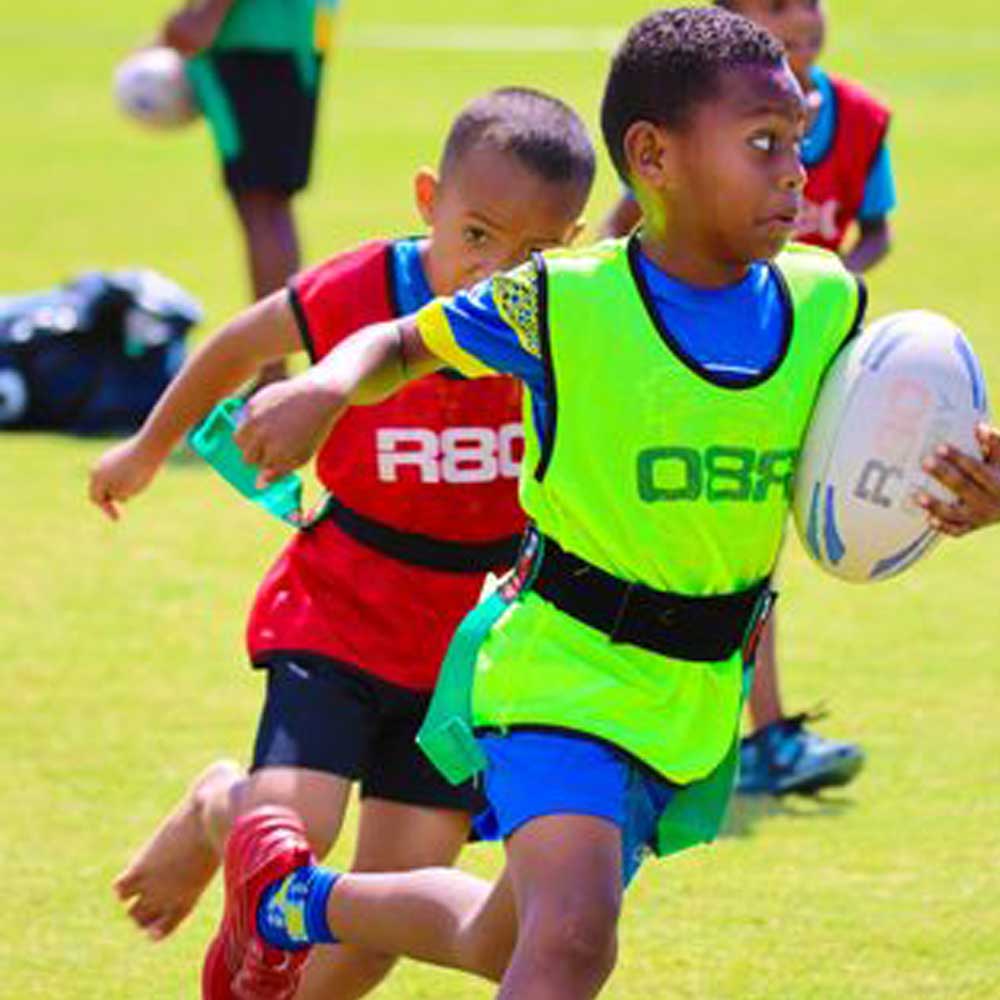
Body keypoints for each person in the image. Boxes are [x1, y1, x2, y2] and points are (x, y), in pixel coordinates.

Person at [194, 9, 882, 999]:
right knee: (572, 942)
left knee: (496, 937)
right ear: (654, 157)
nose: (796, 173)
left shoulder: (826, 303)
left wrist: (961, 484)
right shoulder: (563, 299)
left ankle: (293, 903)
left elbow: (894, 436)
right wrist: (324, 387)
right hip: (557, 672)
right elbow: (402, 341)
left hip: (688, 693)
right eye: (763, 142)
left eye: (798, 140)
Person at [89, 87, 594, 999]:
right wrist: (147, 449)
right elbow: (235, 346)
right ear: (428, 200)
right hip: (339, 609)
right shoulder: (363, 290)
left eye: (530, 254)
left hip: (467, 653)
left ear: (571, 244)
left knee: (377, 918)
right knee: (289, 833)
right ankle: (219, 807)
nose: (494, 273)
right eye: (476, 236)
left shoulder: (567, 319)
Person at [603, 0, 899, 795]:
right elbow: (625, 229)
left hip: (801, 357)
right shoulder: (696, 121)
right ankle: (740, 735)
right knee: (733, 555)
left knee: (751, 556)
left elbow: (878, 229)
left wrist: (831, 290)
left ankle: (741, 735)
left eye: (807, 0)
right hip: (703, 365)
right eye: (773, 4)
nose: (798, 16)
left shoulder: (861, 120)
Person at [159, 0, 338, 389]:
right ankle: (275, 367)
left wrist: (206, 13)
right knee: (271, 206)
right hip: (292, 36)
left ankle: (273, 372)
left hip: (254, 40)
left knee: (262, 206)